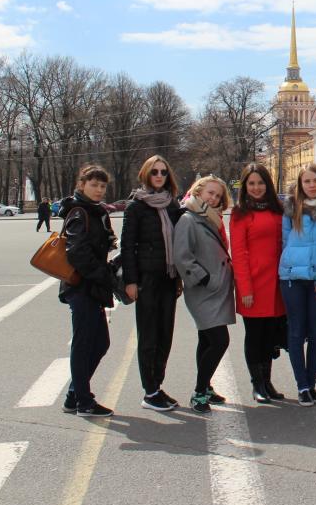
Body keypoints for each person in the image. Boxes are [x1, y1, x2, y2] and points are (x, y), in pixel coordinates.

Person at [120, 155, 184, 412]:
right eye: (155, 172)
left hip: (168, 278)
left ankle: (157, 385)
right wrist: (131, 281)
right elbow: (127, 246)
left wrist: (178, 277)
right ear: (146, 174)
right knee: (148, 335)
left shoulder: (172, 205)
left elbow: (180, 243)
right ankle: (150, 391)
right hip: (146, 279)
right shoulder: (136, 206)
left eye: (163, 172)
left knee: (165, 335)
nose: (159, 176)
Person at [59, 165, 118, 417]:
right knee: (84, 344)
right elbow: (76, 253)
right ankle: (83, 400)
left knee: (100, 343)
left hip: (91, 286)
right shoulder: (79, 212)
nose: (99, 190)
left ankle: (74, 396)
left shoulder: (96, 212)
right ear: (82, 184)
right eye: (93, 184)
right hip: (82, 287)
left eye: (102, 186)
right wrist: (103, 274)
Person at [174, 176, 236, 414]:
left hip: (217, 289)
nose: (214, 198)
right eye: (210, 193)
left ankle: (206, 386)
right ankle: (199, 392)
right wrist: (204, 278)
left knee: (207, 340)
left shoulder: (210, 218)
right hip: (203, 291)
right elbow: (182, 255)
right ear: (198, 192)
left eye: (218, 196)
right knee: (220, 340)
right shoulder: (189, 218)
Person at [279, 163, 316, 406]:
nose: (312, 185)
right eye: (307, 181)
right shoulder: (291, 209)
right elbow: (285, 242)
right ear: (300, 185)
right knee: (296, 332)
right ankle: (302, 385)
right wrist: (289, 268)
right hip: (292, 279)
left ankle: (312, 385)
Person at [229, 163, 288, 404]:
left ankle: (268, 381)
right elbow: (239, 253)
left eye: (260, 183)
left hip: (276, 284)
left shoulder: (278, 210)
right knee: (255, 337)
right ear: (245, 186)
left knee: (270, 336)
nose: (256, 188)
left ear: (268, 184)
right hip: (253, 285)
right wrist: (245, 289)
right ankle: (257, 384)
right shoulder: (240, 213)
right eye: (251, 183)